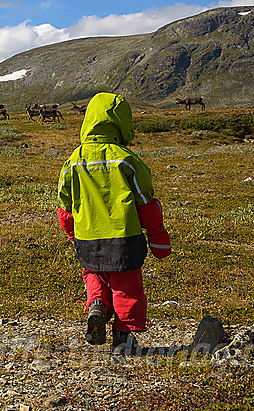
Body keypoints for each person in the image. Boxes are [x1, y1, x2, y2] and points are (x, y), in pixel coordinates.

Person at [57, 92, 171, 353]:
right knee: (126, 284)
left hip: (88, 238)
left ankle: (97, 306)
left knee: (93, 274)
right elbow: (146, 203)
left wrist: (73, 234)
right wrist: (157, 237)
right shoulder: (126, 159)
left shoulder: (73, 161)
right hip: (125, 238)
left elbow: (65, 204)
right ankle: (124, 336)